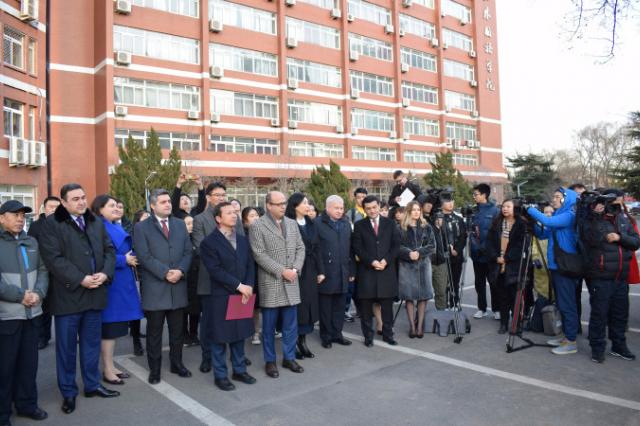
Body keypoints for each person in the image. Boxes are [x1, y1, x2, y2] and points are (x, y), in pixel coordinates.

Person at [39, 183, 119, 414]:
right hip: (68, 297)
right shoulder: (52, 224)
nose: (82, 202)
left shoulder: (94, 221)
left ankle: (92, 385)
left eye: (83, 197)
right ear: (63, 202)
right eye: (75, 199)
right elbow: (53, 259)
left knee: (91, 345)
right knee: (66, 350)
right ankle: (68, 392)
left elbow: (109, 251)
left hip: (95, 294)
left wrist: (105, 273)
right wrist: (80, 278)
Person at [133, 189, 193, 384]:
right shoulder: (142, 228)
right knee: (154, 332)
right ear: (152, 205)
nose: (168, 204)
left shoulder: (179, 224)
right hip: (156, 287)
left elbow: (187, 252)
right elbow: (143, 256)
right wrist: (166, 272)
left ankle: (177, 364)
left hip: (178, 286)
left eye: (168, 201)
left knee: (177, 331)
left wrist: (181, 271)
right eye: (163, 202)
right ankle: (155, 369)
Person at [199, 202, 257, 390]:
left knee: (239, 335)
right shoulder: (209, 243)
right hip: (221, 296)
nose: (234, 215)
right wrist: (239, 285)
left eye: (235, 212)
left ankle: (239, 370)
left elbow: (250, 265)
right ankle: (221, 375)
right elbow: (215, 270)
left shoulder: (242, 239)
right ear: (218, 218)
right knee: (219, 337)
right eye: (229, 213)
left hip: (243, 295)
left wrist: (248, 285)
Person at [0, 200, 49, 424]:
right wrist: (21, 296)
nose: (20, 219)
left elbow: (42, 270)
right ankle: (3, 413)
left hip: (32, 314)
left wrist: (38, 292)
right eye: (15, 214)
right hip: (7, 316)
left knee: (29, 365)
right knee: (5, 367)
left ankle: (27, 404)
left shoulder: (31, 241)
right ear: (2, 218)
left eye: (23, 215)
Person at [249, 191, 306, 378]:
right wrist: (283, 271)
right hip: (272, 281)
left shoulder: (291, 223)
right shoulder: (258, 225)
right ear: (268, 205)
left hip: (292, 280)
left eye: (284, 203)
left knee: (291, 325)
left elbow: (300, 247)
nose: (283, 206)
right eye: (279, 203)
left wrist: (295, 269)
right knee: (269, 328)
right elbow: (259, 254)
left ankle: (289, 358)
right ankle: (270, 361)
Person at [581, 190, 640, 363]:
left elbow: (636, 241)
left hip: (621, 277)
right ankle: (597, 349)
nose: (617, 206)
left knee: (620, 315)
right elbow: (590, 239)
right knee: (599, 315)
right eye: (614, 203)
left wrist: (620, 237)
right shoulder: (593, 220)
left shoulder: (624, 219)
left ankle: (619, 346)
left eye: (619, 203)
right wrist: (596, 215)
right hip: (601, 276)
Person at [90, 195, 144, 385]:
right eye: (111, 205)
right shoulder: (98, 226)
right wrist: (124, 260)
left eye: (117, 205)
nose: (116, 208)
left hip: (121, 282)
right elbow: (100, 257)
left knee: (113, 330)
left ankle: (110, 366)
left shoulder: (113, 225)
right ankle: (107, 368)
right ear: (99, 208)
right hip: (112, 284)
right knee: (109, 329)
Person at [193, 182, 245, 374]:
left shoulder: (234, 218)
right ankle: (208, 358)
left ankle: (238, 361)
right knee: (211, 325)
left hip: (236, 281)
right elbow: (200, 249)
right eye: (217, 195)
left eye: (224, 194)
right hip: (211, 282)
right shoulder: (200, 220)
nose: (222, 197)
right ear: (208, 197)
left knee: (236, 323)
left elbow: (241, 247)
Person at [527, 187, 580, 355]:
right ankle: (567, 337)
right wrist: (534, 223)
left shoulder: (570, 215)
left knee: (567, 304)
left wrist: (530, 209)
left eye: (557, 197)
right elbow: (543, 233)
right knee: (562, 304)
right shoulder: (559, 215)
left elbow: (548, 223)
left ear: (566, 199)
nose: (554, 199)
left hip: (565, 267)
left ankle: (571, 342)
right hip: (556, 266)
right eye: (554, 196)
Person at [352, 195, 401, 347]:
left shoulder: (390, 224)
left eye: (374, 207)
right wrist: (372, 261)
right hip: (367, 272)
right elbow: (357, 248)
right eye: (368, 208)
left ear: (379, 206)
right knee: (366, 309)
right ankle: (368, 336)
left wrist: (385, 260)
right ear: (364, 209)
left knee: (387, 307)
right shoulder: (359, 225)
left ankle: (388, 335)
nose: (372, 211)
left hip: (386, 271)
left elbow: (396, 245)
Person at [285, 193, 322, 359]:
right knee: (296, 307)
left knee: (309, 305)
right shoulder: (288, 224)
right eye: (304, 203)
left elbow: (318, 248)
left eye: (308, 203)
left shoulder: (311, 223)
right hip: (296, 269)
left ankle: (303, 340)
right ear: (295, 206)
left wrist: (321, 271)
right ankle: (293, 344)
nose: (308, 206)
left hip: (311, 269)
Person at [315, 195, 355, 349]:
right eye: (336, 208)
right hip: (326, 272)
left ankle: (337, 334)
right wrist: (319, 271)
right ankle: (326, 336)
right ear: (328, 208)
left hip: (343, 270)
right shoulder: (318, 224)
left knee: (339, 305)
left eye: (341, 208)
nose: (340, 211)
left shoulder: (345, 223)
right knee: (325, 307)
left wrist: (352, 270)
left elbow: (351, 249)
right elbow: (315, 250)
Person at [485, 200, 530, 334]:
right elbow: (489, 244)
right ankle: (504, 324)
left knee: (515, 298)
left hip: (514, 265)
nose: (505, 209)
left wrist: (507, 258)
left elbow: (521, 245)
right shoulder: (496, 224)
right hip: (499, 266)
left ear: (514, 208)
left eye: (508, 206)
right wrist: (495, 257)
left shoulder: (521, 224)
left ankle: (517, 324)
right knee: (502, 297)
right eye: (503, 206)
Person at [398, 201, 435, 338]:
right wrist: (408, 253)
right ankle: (412, 327)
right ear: (408, 211)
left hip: (423, 265)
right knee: (409, 297)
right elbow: (396, 247)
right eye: (413, 210)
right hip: (406, 266)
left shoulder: (426, 227)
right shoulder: (401, 227)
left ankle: (419, 327)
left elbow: (432, 245)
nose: (416, 212)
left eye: (418, 210)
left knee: (423, 296)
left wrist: (419, 252)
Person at [27, 195, 60, 350]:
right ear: (44, 208)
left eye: (57, 207)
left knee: (63, 307)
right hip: (42, 271)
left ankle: (68, 336)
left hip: (61, 272)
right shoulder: (35, 226)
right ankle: (43, 337)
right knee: (44, 307)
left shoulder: (65, 224)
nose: (53, 209)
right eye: (50, 206)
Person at [470, 184, 500, 320]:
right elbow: (470, 231)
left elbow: (496, 234)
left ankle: (497, 309)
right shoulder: (473, 211)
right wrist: (476, 247)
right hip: (477, 254)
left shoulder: (495, 211)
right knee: (479, 283)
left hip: (490, 254)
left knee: (494, 283)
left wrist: (488, 248)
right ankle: (481, 308)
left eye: (476, 194)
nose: (474, 196)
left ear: (484, 195)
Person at [129, 209, 150, 356]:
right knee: (136, 311)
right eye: (145, 218)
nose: (148, 220)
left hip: (152, 276)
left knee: (150, 311)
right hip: (137, 276)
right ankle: (136, 340)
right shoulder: (133, 236)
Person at [441, 194, 467, 307]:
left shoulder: (459, 219)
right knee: (443, 282)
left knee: (455, 281)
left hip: (457, 256)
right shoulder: (438, 219)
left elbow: (463, 236)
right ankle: (443, 303)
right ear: (442, 203)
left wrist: (457, 249)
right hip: (442, 255)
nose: (451, 203)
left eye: (452, 200)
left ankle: (454, 301)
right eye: (447, 201)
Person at [242, 207, 262, 345]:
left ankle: (257, 332)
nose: (255, 217)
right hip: (248, 273)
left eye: (257, 215)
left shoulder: (263, 232)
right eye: (252, 215)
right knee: (249, 305)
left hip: (262, 272)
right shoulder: (242, 234)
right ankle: (248, 332)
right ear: (245, 220)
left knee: (260, 306)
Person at [181, 214, 201, 347]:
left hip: (197, 279)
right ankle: (184, 335)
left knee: (196, 309)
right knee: (183, 310)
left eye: (192, 223)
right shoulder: (179, 240)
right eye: (187, 223)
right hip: (183, 280)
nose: (191, 226)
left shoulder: (197, 239)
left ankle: (194, 334)